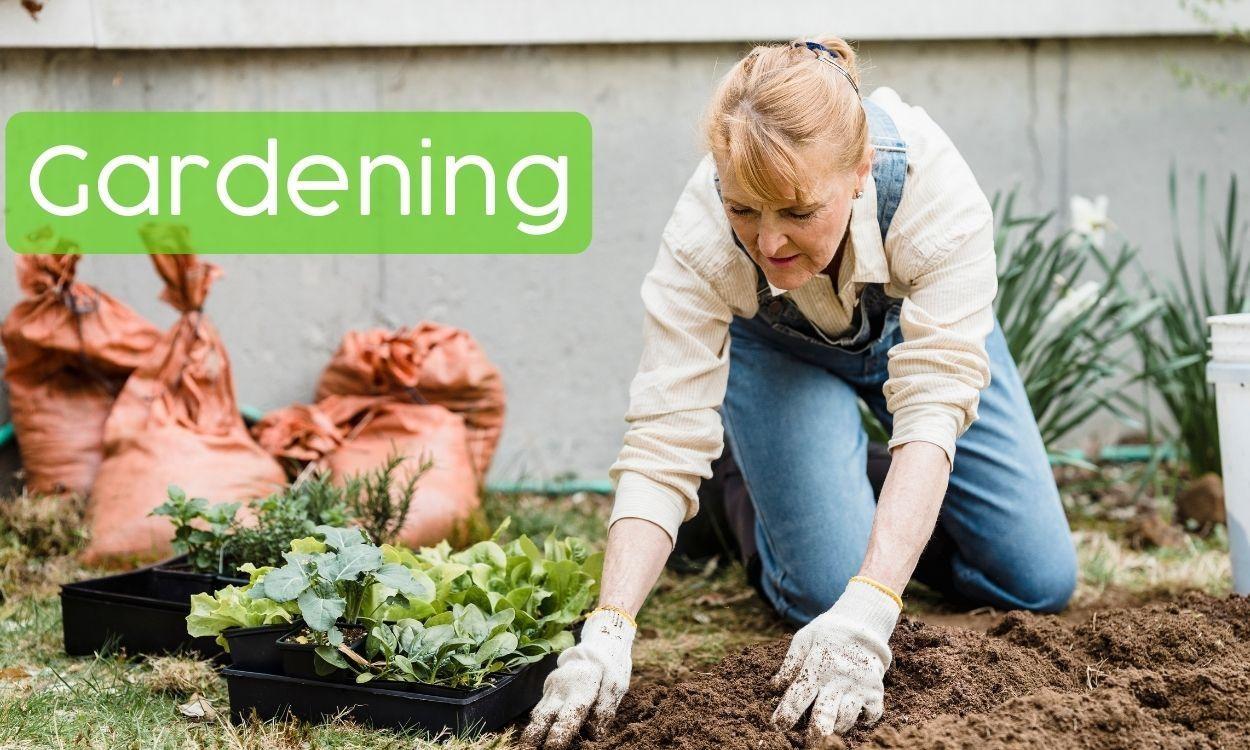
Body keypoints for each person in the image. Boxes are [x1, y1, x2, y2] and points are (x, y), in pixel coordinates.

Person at [523, 34, 1077, 749]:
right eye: (744, 212)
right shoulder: (700, 239)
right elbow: (663, 437)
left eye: (796, 211)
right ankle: (741, 489)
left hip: (916, 338)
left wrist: (875, 605)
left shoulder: (933, 192)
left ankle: (815, 478)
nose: (770, 243)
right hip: (777, 353)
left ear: (858, 170)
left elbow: (935, 406)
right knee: (823, 592)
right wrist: (608, 631)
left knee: (1039, 580)